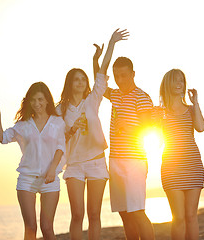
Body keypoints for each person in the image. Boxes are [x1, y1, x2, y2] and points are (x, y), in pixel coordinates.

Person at [56, 29, 129, 240]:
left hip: (96, 162)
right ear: (69, 83)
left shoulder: (93, 100)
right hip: (75, 164)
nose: (79, 82)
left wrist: (111, 44)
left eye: (82, 79)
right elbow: (59, 139)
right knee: (77, 215)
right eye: (75, 79)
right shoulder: (60, 109)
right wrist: (72, 129)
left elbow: (103, 70)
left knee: (94, 214)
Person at [0, 82, 65, 240]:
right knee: (30, 227)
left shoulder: (57, 122)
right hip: (26, 179)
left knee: (47, 228)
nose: (36, 104)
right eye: (33, 100)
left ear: (47, 100)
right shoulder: (23, 125)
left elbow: (61, 147)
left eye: (40, 99)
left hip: (50, 179)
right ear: (28, 102)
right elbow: (1, 137)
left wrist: (53, 169)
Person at [103, 57, 155, 240]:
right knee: (124, 213)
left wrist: (127, 125)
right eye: (116, 76)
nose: (120, 80)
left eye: (124, 75)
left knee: (138, 211)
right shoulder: (115, 95)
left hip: (134, 161)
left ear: (133, 74)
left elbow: (149, 128)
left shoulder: (142, 97)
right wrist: (97, 60)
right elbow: (99, 83)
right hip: (115, 160)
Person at [156, 69, 204, 240]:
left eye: (182, 81)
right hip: (171, 168)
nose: (179, 84)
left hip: (193, 166)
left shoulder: (191, 109)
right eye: (175, 81)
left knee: (191, 216)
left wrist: (196, 103)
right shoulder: (160, 112)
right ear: (167, 84)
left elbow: (200, 127)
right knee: (178, 218)